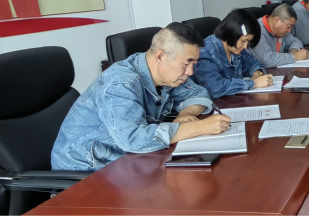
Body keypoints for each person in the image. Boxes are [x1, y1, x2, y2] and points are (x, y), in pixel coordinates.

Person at [51, 23, 231, 171]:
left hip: (127, 161)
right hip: (85, 172)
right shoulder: (121, 84)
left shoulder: (165, 75)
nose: (190, 71)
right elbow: (133, 139)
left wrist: (186, 114)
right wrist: (199, 127)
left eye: (194, 63)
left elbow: (199, 93)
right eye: (186, 63)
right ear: (160, 57)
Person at [194, 9, 273, 99]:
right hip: (214, 105)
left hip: (234, 100)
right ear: (232, 33)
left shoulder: (235, 47)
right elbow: (215, 88)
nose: (245, 46)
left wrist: (257, 74)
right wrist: (253, 83)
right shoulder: (206, 53)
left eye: (248, 42)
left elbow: (254, 63)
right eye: (244, 41)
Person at [249, 3, 309, 67]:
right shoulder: (258, 30)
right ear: (277, 20)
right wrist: (295, 57)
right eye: (289, 27)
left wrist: (294, 51)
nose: (289, 31)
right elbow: (268, 60)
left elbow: (296, 41)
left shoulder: (280, 32)